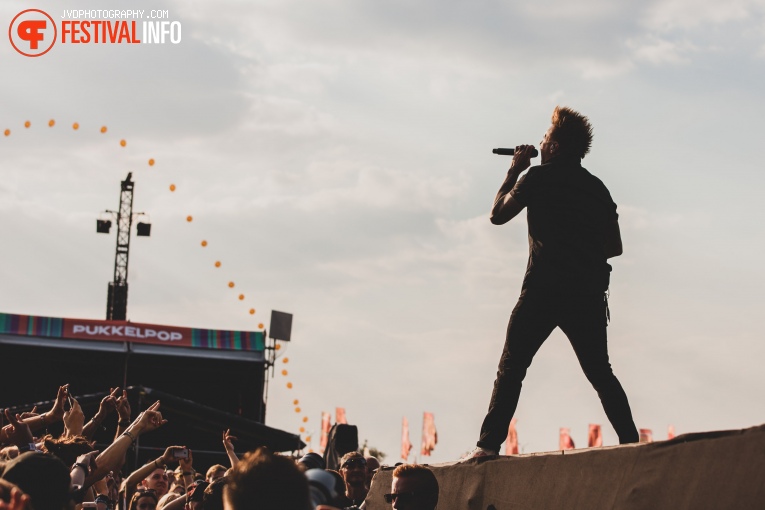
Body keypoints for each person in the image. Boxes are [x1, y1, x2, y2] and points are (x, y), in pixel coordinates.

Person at [468, 106, 639, 458]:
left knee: (512, 367)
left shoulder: (537, 178)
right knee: (600, 373)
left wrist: (515, 170)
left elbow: (497, 215)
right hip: (587, 294)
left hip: (542, 290)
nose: (541, 143)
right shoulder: (598, 189)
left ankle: (487, 447)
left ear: (557, 146)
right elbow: (615, 247)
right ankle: (632, 445)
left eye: (546, 138)